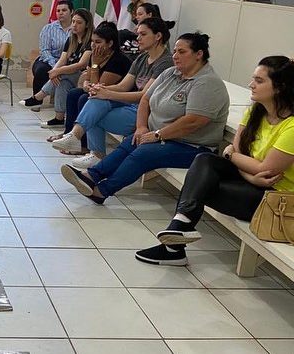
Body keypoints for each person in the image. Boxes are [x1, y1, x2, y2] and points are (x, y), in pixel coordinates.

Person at [136, 56, 294, 266]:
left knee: (199, 187)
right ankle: (178, 231)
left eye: (259, 80)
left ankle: (176, 239)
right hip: (250, 182)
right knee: (204, 160)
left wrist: (231, 157)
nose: (251, 85)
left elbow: (264, 169)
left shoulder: (291, 127)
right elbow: (238, 155)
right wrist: (247, 172)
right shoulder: (255, 112)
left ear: (280, 87)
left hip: (273, 200)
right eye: (252, 79)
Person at [60, 32, 229, 205]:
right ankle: (91, 176)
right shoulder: (171, 73)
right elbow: (145, 99)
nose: (175, 56)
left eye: (182, 52)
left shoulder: (207, 83)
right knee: (130, 142)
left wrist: (158, 135)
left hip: (192, 146)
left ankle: (101, 191)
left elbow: (194, 121)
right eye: (175, 51)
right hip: (162, 136)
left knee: (144, 153)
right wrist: (141, 128)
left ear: (199, 54)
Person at [52, 18, 174, 169]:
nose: (138, 38)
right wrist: (101, 90)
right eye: (138, 34)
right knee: (95, 99)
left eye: (143, 34)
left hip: (145, 112)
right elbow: (123, 86)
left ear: (158, 36)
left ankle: (88, 147)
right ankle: (77, 138)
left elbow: (144, 95)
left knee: (93, 110)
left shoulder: (165, 62)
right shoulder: (143, 58)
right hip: (130, 105)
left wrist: (106, 93)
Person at [52, 21, 131, 154]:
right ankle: (69, 134)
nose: (94, 45)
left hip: (116, 97)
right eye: (93, 42)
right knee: (73, 93)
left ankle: (85, 146)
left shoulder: (118, 60)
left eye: (98, 42)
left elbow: (98, 86)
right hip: (100, 93)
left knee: (84, 99)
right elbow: (87, 80)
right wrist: (85, 84)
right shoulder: (95, 56)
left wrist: (95, 66)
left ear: (110, 43)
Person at [25, 9, 93, 127]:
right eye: (73, 22)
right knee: (62, 83)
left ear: (87, 24)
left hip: (84, 76)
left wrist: (58, 71)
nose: (74, 25)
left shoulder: (90, 41)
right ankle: (59, 118)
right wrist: (54, 71)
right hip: (70, 76)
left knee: (63, 74)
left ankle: (39, 96)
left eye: (79, 22)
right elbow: (62, 60)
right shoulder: (72, 39)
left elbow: (81, 65)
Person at [21, 0, 73, 107]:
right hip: (49, 60)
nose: (60, 13)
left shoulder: (76, 29)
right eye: (58, 11)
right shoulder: (48, 28)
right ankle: (37, 101)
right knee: (41, 70)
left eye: (64, 10)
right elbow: (45, 50)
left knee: (67, 72)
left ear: (71, 11)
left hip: (69, 62)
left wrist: (60, 68)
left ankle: (62, 104)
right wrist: (55, 66)